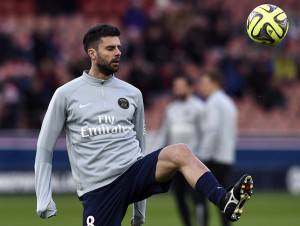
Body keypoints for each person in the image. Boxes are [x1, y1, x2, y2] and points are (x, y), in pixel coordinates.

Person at [34, 24, 253, 226]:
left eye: (119, 47)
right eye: (110, 48)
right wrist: (44, 198)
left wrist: (140, 211)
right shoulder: (65, 94)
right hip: (98, 189)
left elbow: (140, 147)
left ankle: (225, 200)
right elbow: (45, 147)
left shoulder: (132, 93)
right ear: (92, 53)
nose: (118, 52)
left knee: (180, 151)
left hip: (132, 174)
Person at [156, 76, 205, 226]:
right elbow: (165, 133)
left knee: (197, 197)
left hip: (194, 160)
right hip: (175, 163)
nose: (177, 89)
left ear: (190, 87)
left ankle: (201, 223)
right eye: (175, 86)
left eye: (181, 86)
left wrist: (201, 154)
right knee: (179, 197)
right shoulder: (171, 109)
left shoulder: (199, 107)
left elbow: (204, 133)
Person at [197, 70, 238, 226]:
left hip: (213, 156)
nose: (201, 87)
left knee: (201, 196)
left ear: (214, 83)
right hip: (226, 155)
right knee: (225, 199)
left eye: (204, 83)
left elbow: (211, 130)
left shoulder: (213, 102)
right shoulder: (228, 102)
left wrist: (202, 155)